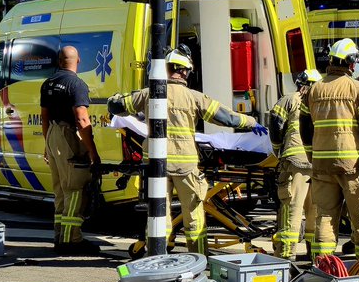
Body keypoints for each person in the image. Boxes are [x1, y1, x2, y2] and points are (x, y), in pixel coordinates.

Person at [109, 48, 265, 254]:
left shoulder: (148, 94)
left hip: (156, 165)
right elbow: (227, 118)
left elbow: (116, 106)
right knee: (193, 214)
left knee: (158, 214)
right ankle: (198, 257)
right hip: (185, 165)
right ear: (185, 72)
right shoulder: (195, 97)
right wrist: (252, 122)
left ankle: (156, 257)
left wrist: (117, 98)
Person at [307, 38, 359, 262]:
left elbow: (305, 130)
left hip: (322, 166)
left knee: (324, 216)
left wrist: (313, 157)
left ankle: (323, 268)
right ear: (351, 64)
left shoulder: (313, 90)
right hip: (353, 167)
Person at [39, 46, 102, 255]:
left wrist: (48, 146)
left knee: (60, 190)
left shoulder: (48, 83)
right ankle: (71, 240)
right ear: (78, 60)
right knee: (75, 189)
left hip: (52, 136)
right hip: (67, 135)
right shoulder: (76, 84)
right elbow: (82, 119)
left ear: (59, 61)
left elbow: (44, 117)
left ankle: (59, 236)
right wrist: (92, 151)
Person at [269, 69, 321, 260]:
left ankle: (286, 255)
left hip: (295, 162)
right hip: (317, 164)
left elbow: (275, 124)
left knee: (292, 209)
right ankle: (316, 256)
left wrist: (277, 150)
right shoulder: (322, 104)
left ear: (300, 84)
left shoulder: (290, 99)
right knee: (315, 211)